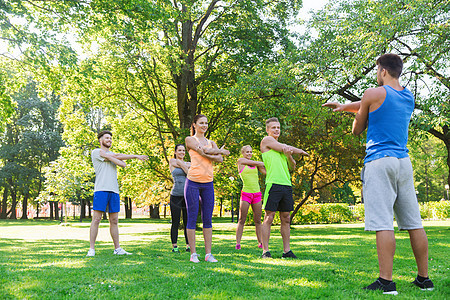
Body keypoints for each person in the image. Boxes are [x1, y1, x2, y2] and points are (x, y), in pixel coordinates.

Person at [323, 53, 434, 295]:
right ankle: (424, 280)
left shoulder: (372, 92)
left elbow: (357, 128)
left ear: (383, 71)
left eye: (377, 71)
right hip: (403, 162)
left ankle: (386, 282)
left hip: (379, 161)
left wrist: (352, 114)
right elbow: (374, 105)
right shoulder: (408, 96)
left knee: (383, 223)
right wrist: (345, 107)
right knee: (414, 223)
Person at [87, 130, 148, 257]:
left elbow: (122, 163)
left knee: (114, 220)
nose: (109, 140)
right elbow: (118, 159)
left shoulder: (109, 154)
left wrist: (135, 156)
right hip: (101, 189)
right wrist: (113, 157)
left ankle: (117, 248)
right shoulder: (96, 152)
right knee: (96, 219)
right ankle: (91, 249)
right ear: (100, 140)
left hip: (114, 190)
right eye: (107, 138)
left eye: (110, 138)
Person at [260, 117, 308, 259]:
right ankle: (265, 251)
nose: (276, 130)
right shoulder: (266, 141)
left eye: (278, 128)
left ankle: (286, 251)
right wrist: (300, 151)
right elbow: (284, 147)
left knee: (286, 218)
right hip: (273, 184)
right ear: (268, 130)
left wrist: (289, 156)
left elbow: (292, 167)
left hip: (286, 184)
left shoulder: (284, 148)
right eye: (274, 127)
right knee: (269, 217)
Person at [184, 114, 230, 263]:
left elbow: (219, 159)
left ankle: (208, 254)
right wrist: (218, 152)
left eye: (206, 123)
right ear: (194, 125)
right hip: (193, 182)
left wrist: (215, 153)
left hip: (208, 183)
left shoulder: (212, 142)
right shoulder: (190, 139)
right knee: (191, 217)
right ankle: (193, 254)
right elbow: (204, 151)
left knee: (207, 219)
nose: (204, 125)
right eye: (201, 123)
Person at [235, 145, 266, 250]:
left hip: (257, 194)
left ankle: (260, 242)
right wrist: (261, 163)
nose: (249, 154)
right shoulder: (241, 161)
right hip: (246, 194)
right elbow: (259, 163)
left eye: (251, 152)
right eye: (247, 152)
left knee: (258, 220)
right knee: (241, 219)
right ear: (243, 153)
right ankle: (238, 243)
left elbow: (266, 171)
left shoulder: (255, 164)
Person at [169, 144, 190, 253]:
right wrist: (186, 166)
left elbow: (191, 172)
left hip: (187, 196)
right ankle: (175, 246)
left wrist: (183, 165)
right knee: (175, 221)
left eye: (183, 150)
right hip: (175, 196)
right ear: (175, 152)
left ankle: (188, 245)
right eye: (179, 150)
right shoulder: (172, 161)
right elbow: (188, 171)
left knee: (188, 221)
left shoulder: (187, 163)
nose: (182, 152)